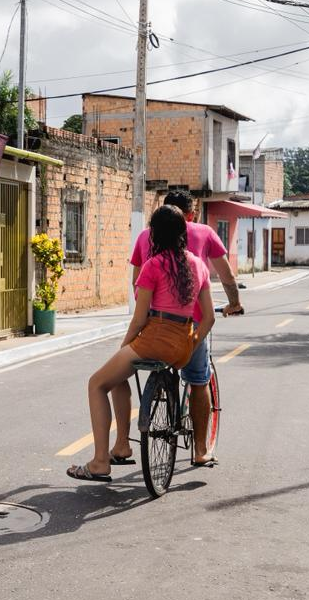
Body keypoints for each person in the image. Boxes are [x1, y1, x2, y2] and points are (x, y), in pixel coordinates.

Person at [67, 205, 214, 483]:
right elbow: (208, 319)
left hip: (154, 338)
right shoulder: (197, 265)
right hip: (183, 343)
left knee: (97, 383)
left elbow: (139, 319)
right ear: (183, 232)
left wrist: (124, 348)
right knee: (118, 379)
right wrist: (191, 345)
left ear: (154, 234)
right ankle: (121, 445)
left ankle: (100, 462)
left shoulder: (153, 265)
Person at [115, 190, 242, 468]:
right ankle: (199, 450)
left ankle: (121, 444)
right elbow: (226, 275)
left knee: (117, 375)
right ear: (189, 214)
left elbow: (137, 283)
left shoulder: (144, 237)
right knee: (198, 380)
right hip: (190, 323)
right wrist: (234, 303)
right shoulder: (204, 233)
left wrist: (149, 311)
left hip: (152, 322)